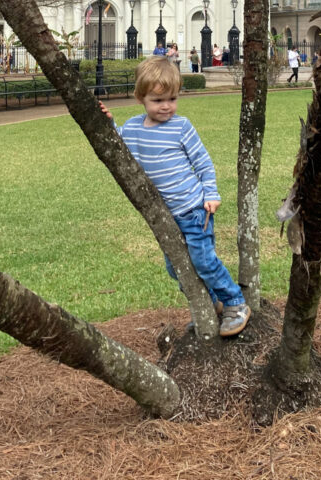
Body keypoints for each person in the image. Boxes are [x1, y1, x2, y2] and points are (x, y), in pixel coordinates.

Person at [101, 57, 250, 337]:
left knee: (204, 260)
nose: (166, 106)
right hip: (166, 217)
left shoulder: (181, 127)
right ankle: (209, 304)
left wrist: (212, 194)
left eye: (172, 98)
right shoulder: (133, 128)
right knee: (177, 268)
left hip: (194, 210)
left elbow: (203, 163)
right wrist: (108, 125)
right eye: (158, 100)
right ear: (141, 98)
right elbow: (117, 145)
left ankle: (234, 302)